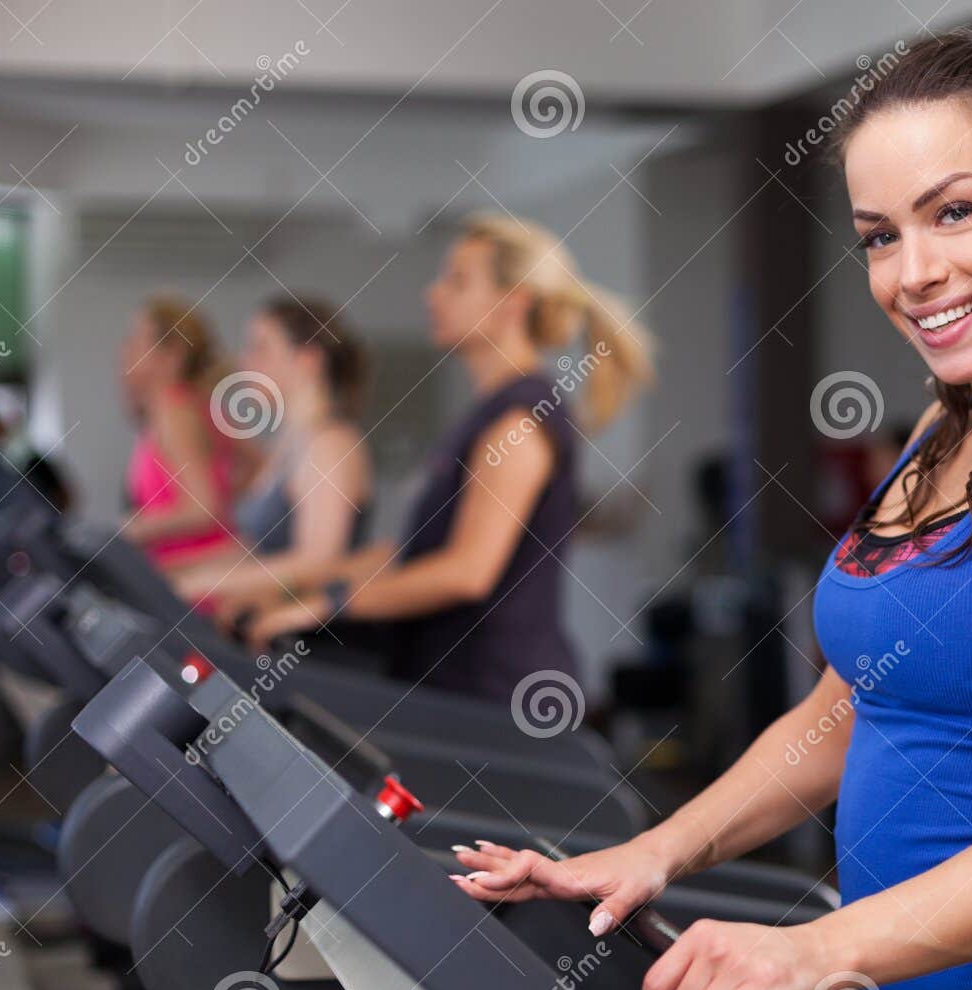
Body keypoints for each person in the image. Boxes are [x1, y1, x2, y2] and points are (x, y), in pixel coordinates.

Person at [448, 28, 972, 990]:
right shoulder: (935, 435)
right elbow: (846, 708)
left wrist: (815, 947)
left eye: (955, 212)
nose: (915, 272)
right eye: (878, 235)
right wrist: (647, 854)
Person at [237, 212, 654, 703]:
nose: (432, 294)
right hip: (438, 677)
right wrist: (303, 590)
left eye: (457, 281)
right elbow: (411, 550)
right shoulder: (485, 415)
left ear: (510, 305)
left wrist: (328, 604)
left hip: (491, 696)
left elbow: (465, 571)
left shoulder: (519, 422)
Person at [171, 296, 374, 608]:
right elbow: (256, 551)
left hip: (313, 642)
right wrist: (171, 573)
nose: (245, 363)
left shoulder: (331, 444)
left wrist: (200, 582)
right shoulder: (288, 445)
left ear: (308, 360)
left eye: (260, 348)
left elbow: (318, 563)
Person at [117, 295, 240, 572]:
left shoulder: (173, 410)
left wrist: (131, 530)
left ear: (172, 356)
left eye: (138, 341)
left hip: (197, 573)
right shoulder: (195, 404)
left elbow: (204, 509)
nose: (126, 350)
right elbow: (252, 468)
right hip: (193, 568)